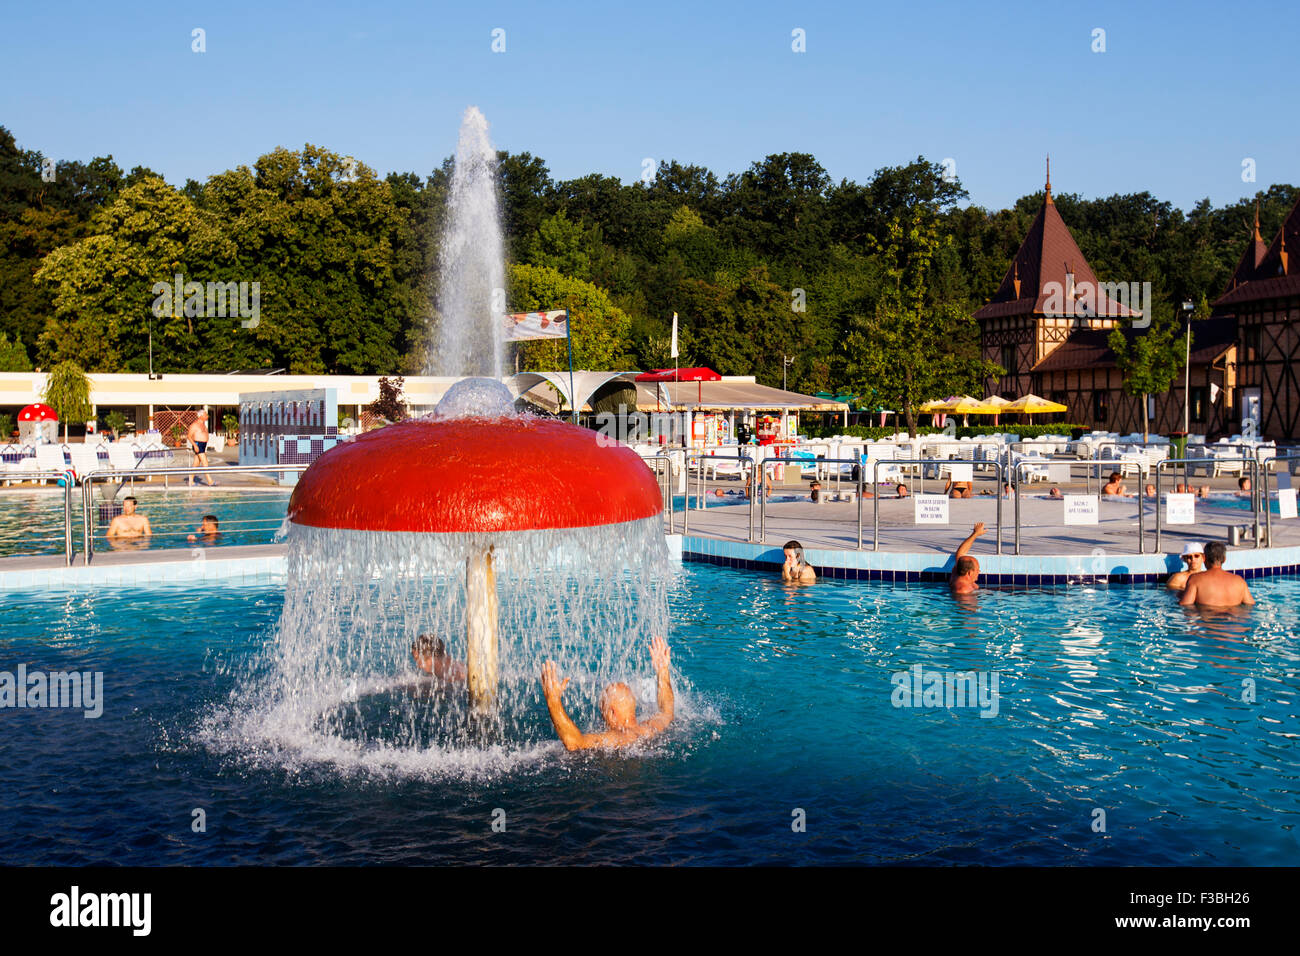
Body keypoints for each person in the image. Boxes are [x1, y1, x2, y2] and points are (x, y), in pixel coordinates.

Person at [540, 635, 673, 751]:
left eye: (602, 708)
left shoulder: (615, 738)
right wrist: (662, 671)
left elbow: (574, 743)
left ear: (612, 713)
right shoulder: (650, 728)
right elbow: (667, 711)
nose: (601, 716)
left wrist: (553, 701)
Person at [1180, 541, 1254, 607]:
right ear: (1224, 559)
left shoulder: (1195, 579)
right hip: (1234, 621)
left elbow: (1185, 606)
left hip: (1207, 621)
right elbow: (1250, 605)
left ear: (1204, 558)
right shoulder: (1240, 581)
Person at [949, 522, 986, 595]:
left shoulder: (957, 573)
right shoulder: (963, 590)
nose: (979, 572)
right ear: (970, 572)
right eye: (977, 570)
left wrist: (975, 534)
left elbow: (961, 553)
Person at [186, 410, 215, 486]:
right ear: (200, 416)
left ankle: (190, 480)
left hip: (203, 445)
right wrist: (195, 445)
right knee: (205, 462)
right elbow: (189, 436)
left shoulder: (203, 425)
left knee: (196, 463)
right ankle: (210, 481)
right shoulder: (194, 425)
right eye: (205, 415)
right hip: (197, 444)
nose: (207, 416)